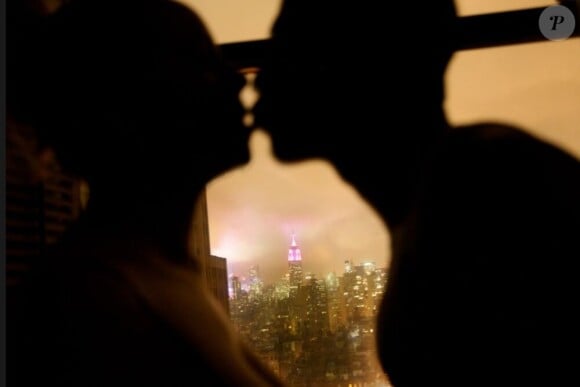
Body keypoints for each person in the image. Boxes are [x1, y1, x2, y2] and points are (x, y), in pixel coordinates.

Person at [254, 1, 580, 386]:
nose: (258, 77)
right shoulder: (463, 188)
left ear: (358, 67)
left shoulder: (488, 194)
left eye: (286, 48)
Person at [8, 0, 285, 386]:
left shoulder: (155, 274)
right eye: (199, 62)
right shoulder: (95, 305)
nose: (236, 79)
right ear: (123, 109)